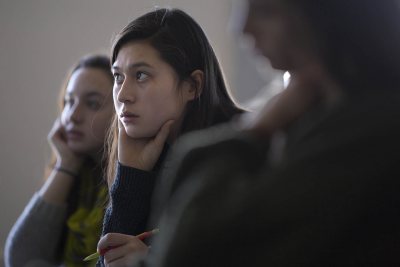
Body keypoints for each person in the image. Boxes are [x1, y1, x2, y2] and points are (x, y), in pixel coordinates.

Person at [133, 0, 400, 266]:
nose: (241, 28)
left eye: (266, 11)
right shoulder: (309, 115)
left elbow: (188, 252)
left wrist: (252, 132)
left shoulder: (363, 135)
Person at [95, 8, 244, 267]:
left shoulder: (239, 153)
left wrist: (154, 260)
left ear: (192, 86)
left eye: (141, 75)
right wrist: (130, 174)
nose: (122, 95)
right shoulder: (150, 151)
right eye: (118, 77)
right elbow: (109, 260)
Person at [5, 54, 114, 267]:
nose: (72, 116)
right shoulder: (80, 176)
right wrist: (66, 165)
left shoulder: (130, 182)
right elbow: (20, 259)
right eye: (69, 101)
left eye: (92, 103)